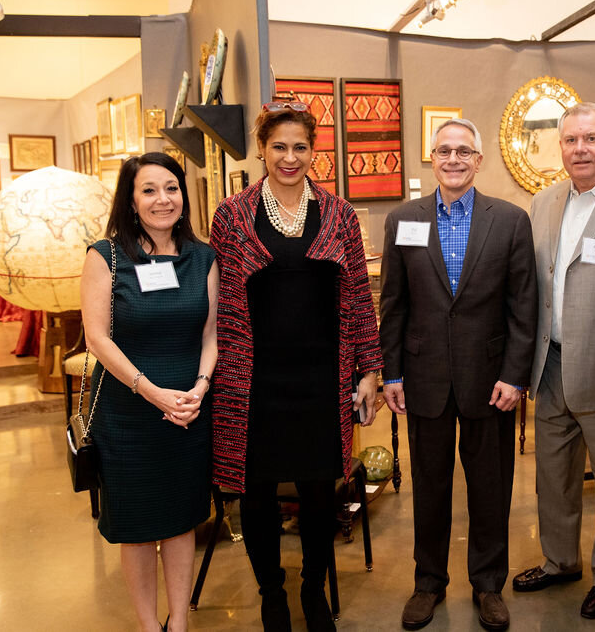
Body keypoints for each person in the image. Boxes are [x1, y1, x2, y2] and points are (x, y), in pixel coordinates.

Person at [210, 102, 383, 632]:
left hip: (321, 378)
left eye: (300, 147)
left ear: (314, 152)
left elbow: (358, 295)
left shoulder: (339, 214)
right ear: (261, 150)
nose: (290, 157)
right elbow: (219, 305)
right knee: (256, 494)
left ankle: (312, 589)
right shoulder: (231, 215)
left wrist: (368, 370)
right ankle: (272, 595)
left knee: (318, 492)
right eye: (279, 147)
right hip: (252, 380)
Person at [380, 118, 537, 631]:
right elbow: (394, 304)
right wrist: (391, 373)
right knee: (429, 489)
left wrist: (515, 376)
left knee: (490, 489)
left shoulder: (510, 220)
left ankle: (488, 584)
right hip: (423, 378)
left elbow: (523, 306)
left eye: (463, 151)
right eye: (444, 150)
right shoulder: (403, 219)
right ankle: (428, 582)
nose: (453, 159)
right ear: (432, 158)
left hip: (490, 381)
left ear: (478, 159)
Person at [512, 102, 595, 620]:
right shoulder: (543, 201)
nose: (580, 149)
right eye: (570, 140)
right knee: (553, 476)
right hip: (551, 365)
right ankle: (560, 560)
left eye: (591, 139)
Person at [80, 152, 219, 632]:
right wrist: (153, 392)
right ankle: (148, 625)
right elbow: (97, 338)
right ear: (131, 200)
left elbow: (211, 335)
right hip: (128, 415)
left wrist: (200, 387)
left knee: (181, 521)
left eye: (171, 188)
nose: (163, 199)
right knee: (137, 529)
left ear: (184, 195)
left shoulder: (203, 257)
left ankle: (178, 623)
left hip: (188, 412)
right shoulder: (106, 256)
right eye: (149, 190)